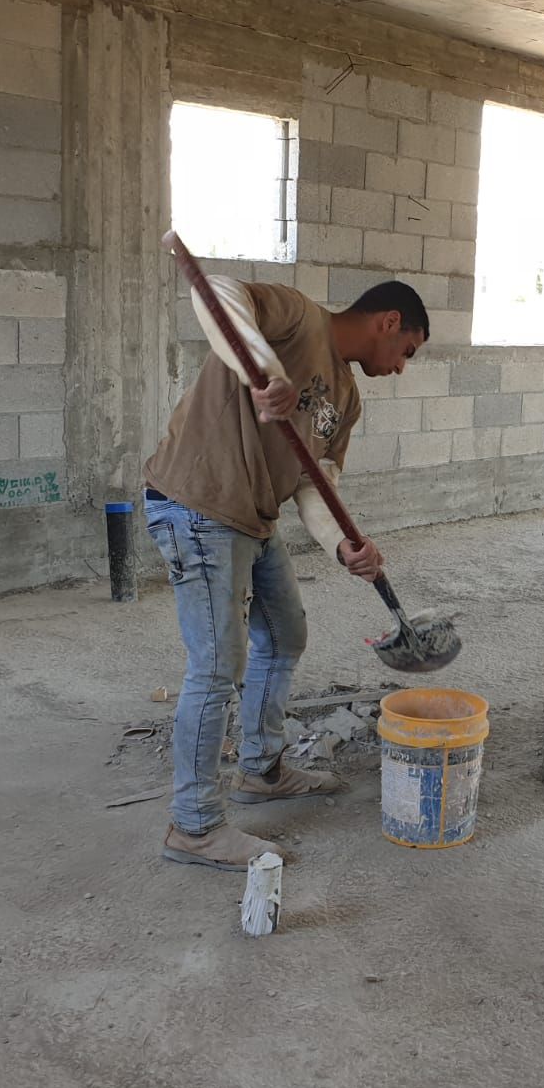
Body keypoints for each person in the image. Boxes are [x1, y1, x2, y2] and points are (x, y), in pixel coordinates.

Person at [142, 276, 429, 870]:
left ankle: (261, 770)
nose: (402, 367)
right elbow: (217, 293)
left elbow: (313, 485)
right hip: (199, 504)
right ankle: (194, 826)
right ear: (389, 322)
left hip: (253, 519)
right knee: (217, 666)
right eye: (407, 351)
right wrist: (263, 371)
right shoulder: (298, 318)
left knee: (284, 636)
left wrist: (342, 545)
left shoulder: (346, 399)